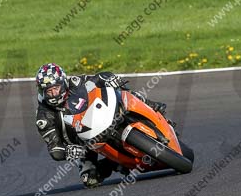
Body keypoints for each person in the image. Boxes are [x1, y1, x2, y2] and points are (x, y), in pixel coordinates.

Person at [34, 62, 167, 188]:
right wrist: (68, 151)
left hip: (100, 116)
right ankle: (116, 163)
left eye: (55, 89)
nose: (53, 94)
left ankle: (151, 106)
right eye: (48, 91)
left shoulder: (75, 83)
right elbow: (54, 149)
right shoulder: (43, 117)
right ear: (42, 92)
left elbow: (98, 78)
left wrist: (110, 79)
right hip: (84, 144)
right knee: (90, 179)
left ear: (63, 83)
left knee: (122, 92)